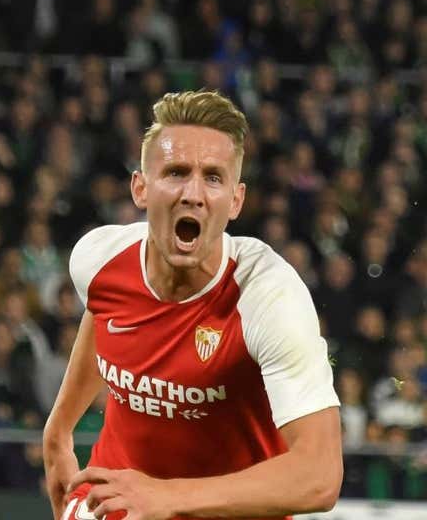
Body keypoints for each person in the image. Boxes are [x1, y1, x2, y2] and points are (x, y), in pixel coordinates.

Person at [43, 91, 342, 520]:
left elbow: (319, 476)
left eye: (214, 178)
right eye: (176, 172)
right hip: (122, 506)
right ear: (141, 189)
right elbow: (103, 322)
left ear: (236, 201)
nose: (193, 194)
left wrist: (165, 497)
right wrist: (58, 432)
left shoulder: (268, 296)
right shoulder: (98, 259)